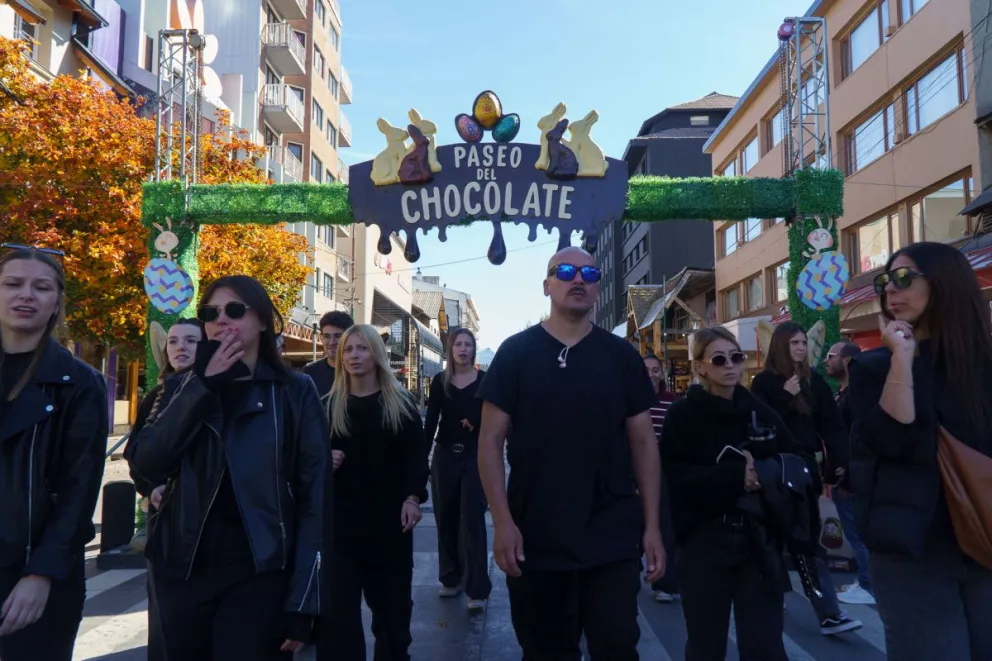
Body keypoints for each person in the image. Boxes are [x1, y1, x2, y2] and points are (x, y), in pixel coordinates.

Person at [477, 246, 665, 660]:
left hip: (611, 533)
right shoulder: (515, 354)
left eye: (589, 272)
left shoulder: (622, 358)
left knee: (616, 645)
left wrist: (652, 527)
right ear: (547, 285)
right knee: (546, 651)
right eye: (565, 271)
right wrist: (502, 523)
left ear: (598, 286)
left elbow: (643, 443)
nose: (577, 279)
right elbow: (490, 442)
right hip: (536, 535)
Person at [127, 275, 327, 661]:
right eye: (210, 312)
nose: (221, 320)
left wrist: (304, 599)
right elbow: (147, 462)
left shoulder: (294, 391)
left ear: (264, 321)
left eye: (235, 310)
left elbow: (315, 498)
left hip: (259, 570)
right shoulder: (179, 387)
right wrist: (201, 387)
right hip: (180, 569)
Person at [848, 242, 992, 660]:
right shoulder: (874, 368)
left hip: (984, 543)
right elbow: (895, 442)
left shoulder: (981, 366)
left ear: (945, 284)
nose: (891, 290)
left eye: (905, 278)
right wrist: (902, 358)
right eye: (886, 281)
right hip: (913, 553)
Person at [663, 326, 813, 660]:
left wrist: (766, 472)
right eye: (719, 359)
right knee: (706, 646)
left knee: (765, 647)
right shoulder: (682, 415)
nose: (730, 365)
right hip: (704, 542)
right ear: (700, 366)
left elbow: (798, 458)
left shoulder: (757, 409)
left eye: (736, 357)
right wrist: (733, 477)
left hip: (758, 540)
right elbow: (676, 477)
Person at [0, 246, 108, 661]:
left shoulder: (79, 384)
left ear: (56, 303)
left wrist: (40, 573)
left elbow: (78, 492)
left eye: (40, 287)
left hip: (35, 574)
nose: (26, 295)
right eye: (13, 284)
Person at [323, 324, 430, 661]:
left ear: (377, 354)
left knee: (393, 620)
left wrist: (413, 498)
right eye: (349, 350)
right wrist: (323, 460)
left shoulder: (401, 404)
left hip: (390, 528)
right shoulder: (327, 406)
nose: (355, 355)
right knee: (340, 621)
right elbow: (303, 461)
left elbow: (416, 458)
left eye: (362, 348)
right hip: (341, 529)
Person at [750, 322, 862, 636]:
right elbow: (757, 425)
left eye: (803, 342)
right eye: (794, 343)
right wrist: (785, 399)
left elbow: (832, 425)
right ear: (781, 346)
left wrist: (841, 461)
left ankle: (828, 613)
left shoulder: (816, 383)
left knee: (807, 541)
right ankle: (770, 595)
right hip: (773, 472)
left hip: (804, 471)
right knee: (771, 539)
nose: (801, 348)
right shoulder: (764, 383)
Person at [123, 318, 204, 661]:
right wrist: (151, 486)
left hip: (205, 524)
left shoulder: (212, 392)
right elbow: (136, 455)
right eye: (173, 341)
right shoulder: (155, 396)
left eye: (190, 340)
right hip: (165, 528)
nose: (180, 347)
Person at [425, 328, 492, 611]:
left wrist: (476, 419)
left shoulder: (486, 380)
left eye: (468, 344)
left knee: (472, 518)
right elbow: (430, 423)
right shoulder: (440, 382)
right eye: (459, 344)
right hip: (445, 456)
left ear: (474, 349)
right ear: (450, 350)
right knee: (446, 515)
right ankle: (450, 577)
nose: (463, 349)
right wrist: (420, 461)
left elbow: (495, 414)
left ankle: (476, 587)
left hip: (475, 457)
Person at [824, 341, 874, 606]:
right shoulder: (842, 393)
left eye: (830, 356)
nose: (825, 361)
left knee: (858, 533)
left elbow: (858, 439)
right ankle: (866, 581)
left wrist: (849, 474)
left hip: (852, 479)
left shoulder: (857, 395)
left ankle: (868, 584)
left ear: (846, 360)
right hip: (844, 476)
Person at [643, 354, 680, 603]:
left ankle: (664, 582)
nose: (652, 373)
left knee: (665, 526)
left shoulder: (672, 402)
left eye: (656, 369)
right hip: (635, 470)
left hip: (665, 470)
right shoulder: (630, 400)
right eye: (647, 369)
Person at [304, 310, 355, 399]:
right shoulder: (310, 372)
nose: (331, 342)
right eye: (327, 336)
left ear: (350, 337)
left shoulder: (359, 370)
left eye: (338, 336)